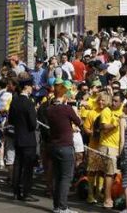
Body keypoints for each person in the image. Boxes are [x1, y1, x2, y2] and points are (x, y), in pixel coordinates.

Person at [46, 83, 82, 213]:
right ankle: (62, 207)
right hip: (65, 145)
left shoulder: (49, 109)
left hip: (54, 145)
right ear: (64, 95)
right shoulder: (67, 109)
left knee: (57, 176)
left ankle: (57, 206)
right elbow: (79, 122)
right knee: (66, 177)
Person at [8, 77, 39, 202]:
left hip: (18, 136)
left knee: (18, 165)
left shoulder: (14, 101)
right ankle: (26, 192)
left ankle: (16, 192)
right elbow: (33, 124)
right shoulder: (29, 103)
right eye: (31, 87)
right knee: (28, 167)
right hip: (28, 139)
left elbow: (10, 120)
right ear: (27, 87)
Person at [99, 92, 123, 208]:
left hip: (118, 147)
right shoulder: (106, 111)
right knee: (109, 174)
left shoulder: (123, 110)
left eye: (116, 101)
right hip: (108, 146)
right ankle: (107, 199)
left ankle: (113, 196)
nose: (113, 103)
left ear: (121, 102)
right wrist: (114, 124)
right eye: (112, 100)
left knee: (115, 174)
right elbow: (104, 127)